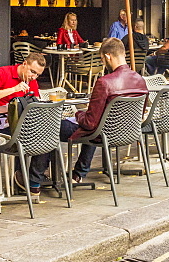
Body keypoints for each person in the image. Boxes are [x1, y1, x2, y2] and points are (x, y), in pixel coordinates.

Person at [30, 38, 147, 192]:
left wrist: (78, 113)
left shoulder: (104, 82)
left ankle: (34, 182)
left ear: (107, 56)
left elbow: (90, 123)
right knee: (94, 123)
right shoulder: (140, 81)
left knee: (49, 126)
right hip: (128, 132)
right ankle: (78, 173)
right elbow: (141, 111)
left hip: (101, 133)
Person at [0, 52, 47, 193]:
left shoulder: (32, 81)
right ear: (24, 64)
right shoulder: (2, 72)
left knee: (47, 133)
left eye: (37, 75)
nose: (33, 77)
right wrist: (14, 89)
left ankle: (34, 178)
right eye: (32, 72)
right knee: (25, 135)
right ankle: (22, 176)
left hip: (21, 123)